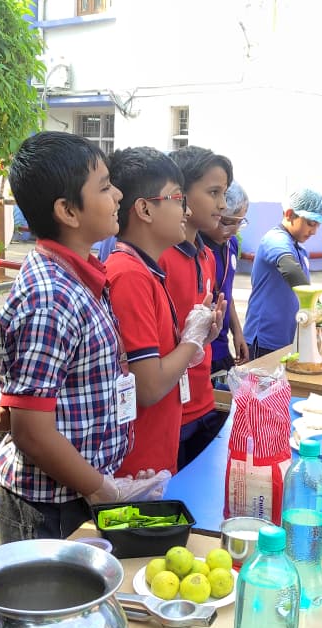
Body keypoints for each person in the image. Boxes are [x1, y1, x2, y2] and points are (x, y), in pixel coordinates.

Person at [0, 131, 168, 541]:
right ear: (68, 211)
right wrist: (102, 488)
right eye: (104, 187)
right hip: (47, 508)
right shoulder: (51, 298)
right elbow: (31, 431)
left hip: (79, 491)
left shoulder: (79, 276)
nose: (118, 195)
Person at [105, 146, 221, 475]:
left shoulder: (145, 272)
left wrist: (195, 338)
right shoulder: (129, 276)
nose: (186, 210)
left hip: (155, 457)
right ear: (144, 209)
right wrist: (192, 341)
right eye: (178, 199)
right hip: (137, 468)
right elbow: (150, 386)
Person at [162, 145, 234, 469]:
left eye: (224, 193)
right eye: (213, 192)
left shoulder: (207, 256)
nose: (223, 204)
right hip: (169, 410)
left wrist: (208, 331)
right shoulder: (160, 257)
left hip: (203, 400)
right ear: (181, 196)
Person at [242, 188, 322, 360]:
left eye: (318, 225)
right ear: (289, 214)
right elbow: (291, 270)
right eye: (311, 223)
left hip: (287, 338)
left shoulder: (298, 249)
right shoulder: (275, 240)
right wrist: (316, 307)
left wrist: (319, 311)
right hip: (265, 339)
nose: (314, 231)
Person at [202, 180, 251, 379]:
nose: (234, 230)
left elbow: (226, 293)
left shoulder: (231, 245)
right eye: (228, 222)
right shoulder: (197, 249)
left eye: (240, 222)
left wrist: (237, 332)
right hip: (201, 348)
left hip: (222, 347)